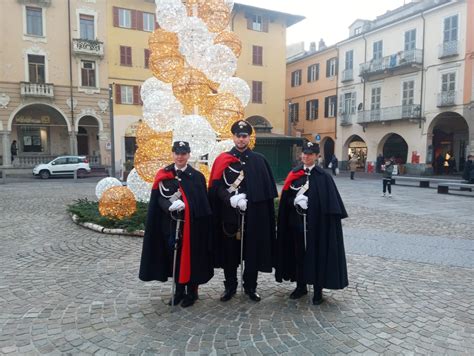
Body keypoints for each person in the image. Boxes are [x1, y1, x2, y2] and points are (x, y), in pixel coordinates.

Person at [208, 120, 277, 302]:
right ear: (233, 137)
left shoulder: (259, 161)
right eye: (238, 136)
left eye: (244, 136)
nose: (241, 139)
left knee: (252, 252)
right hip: (229, 215)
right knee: (230, 252)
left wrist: (248, 198)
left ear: (249, 138)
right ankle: (230, 286)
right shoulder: (222, 159)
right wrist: (229, 198)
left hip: (253, 216)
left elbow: (265, 191)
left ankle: (250, 287)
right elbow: (216, 187)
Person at [139, 141, 214, 308]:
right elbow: (159, 198)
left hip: (193, 226)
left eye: (184, 153)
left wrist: (188, 207)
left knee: (192, 258)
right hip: (171, 225)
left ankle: (192, 292)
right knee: (174, 258)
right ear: (172, 154)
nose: (180, 156)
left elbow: (203, 204)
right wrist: (169, 207)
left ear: (189, 155)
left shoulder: (197, 177)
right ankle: (178, 291)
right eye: (177, 153)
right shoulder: (164, 174)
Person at [275, 141, 349, 305]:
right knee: (298, 255)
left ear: (316, 156)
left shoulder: (324, 178)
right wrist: (295, 201)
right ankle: (301, 286)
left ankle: (317, 290)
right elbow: (285, 201)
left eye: (310, 154)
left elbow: (329, 205)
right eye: (304, 153)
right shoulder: (294, 174)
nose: (306, 156)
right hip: (296, 225)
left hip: (317, 227)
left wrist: (311, 203)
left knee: (317, 256)